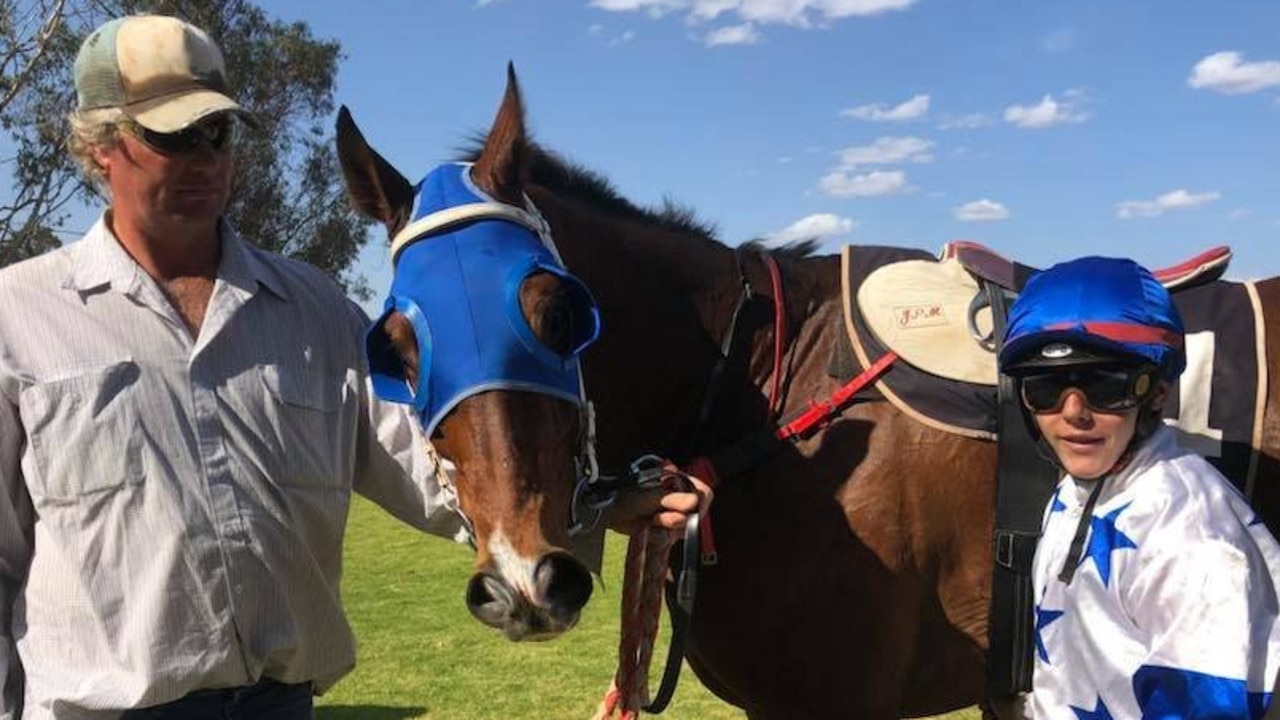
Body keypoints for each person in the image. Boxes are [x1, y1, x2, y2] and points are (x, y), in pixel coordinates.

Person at [0, 14, 704, 720]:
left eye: (216, 132)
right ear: (99, 149)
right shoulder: (18, 317)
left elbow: (432, 474)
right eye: (169, 136)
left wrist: (599, 506)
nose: (203, 158)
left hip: (280, 706)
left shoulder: (316, 312)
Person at [996, 256, 1280, 719]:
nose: (1073, 413)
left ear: (1157, 393)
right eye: (1044, 388)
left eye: (1107, 385)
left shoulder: (1193, 544)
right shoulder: (1078, 490)